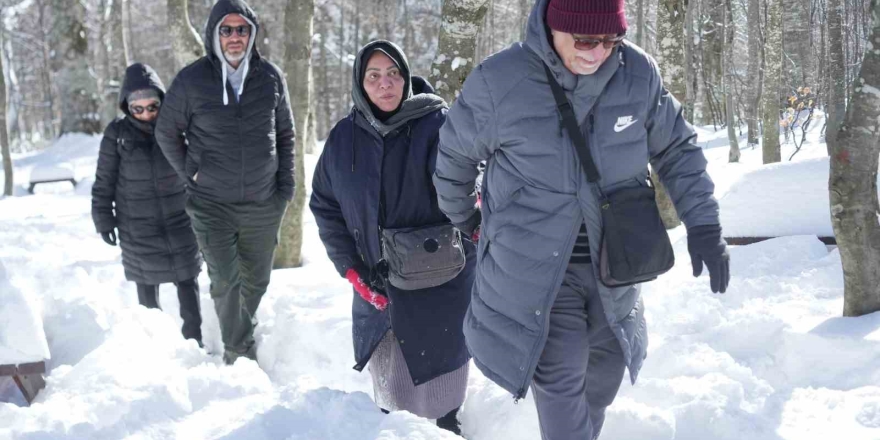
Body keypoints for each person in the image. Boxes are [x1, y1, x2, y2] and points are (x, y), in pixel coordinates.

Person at [433, 0, 731, 439]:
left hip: (615, 262)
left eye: (610, 40)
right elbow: (453, 157)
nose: (597, 53)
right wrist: (465, 217)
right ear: (553, 26)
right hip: (536, 272)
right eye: (585, 40)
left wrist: (704, 224)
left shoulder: (637, 73)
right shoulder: (500, 81)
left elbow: (676, 149)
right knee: (561, 377)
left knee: (604, 375)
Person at [310, 40, 475, 436]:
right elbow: (325, 205)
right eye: (374, 76)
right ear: (360, 83)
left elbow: (468, 182)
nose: (385, 84)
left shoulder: (437, 124)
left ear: (405, 77)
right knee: (392, 399)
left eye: (393, 74)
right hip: (376, 288)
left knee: (441, 394)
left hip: (440, 282)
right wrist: (350, 269)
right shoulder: (343, 139)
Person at [155, 0, 294, 365]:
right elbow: (167, 131)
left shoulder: (270, 77)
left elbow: (285, 134)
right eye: (227, 30)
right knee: (225, 280)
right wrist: (191, 171)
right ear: (214, 34)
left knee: (257, 280)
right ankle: (239, 352)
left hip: (264, 201)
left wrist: (286, 188)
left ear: (252, 33)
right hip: (211, 203)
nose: (235, 37)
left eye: (242, 29)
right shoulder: (191, 80)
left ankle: (238, 328)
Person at [92, 63, 203, 346]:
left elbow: (199, 168)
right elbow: (104, 182)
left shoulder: (178, 128)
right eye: (137, 109)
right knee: (147, 286)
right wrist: (104, 219)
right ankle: (157, 347)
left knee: (188, 280)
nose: (145, 114)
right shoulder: (116, 135)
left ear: (161, 101)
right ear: (127, 107)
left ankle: (195, 341)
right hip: (136, 225)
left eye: (152, 107)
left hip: (180, 219)